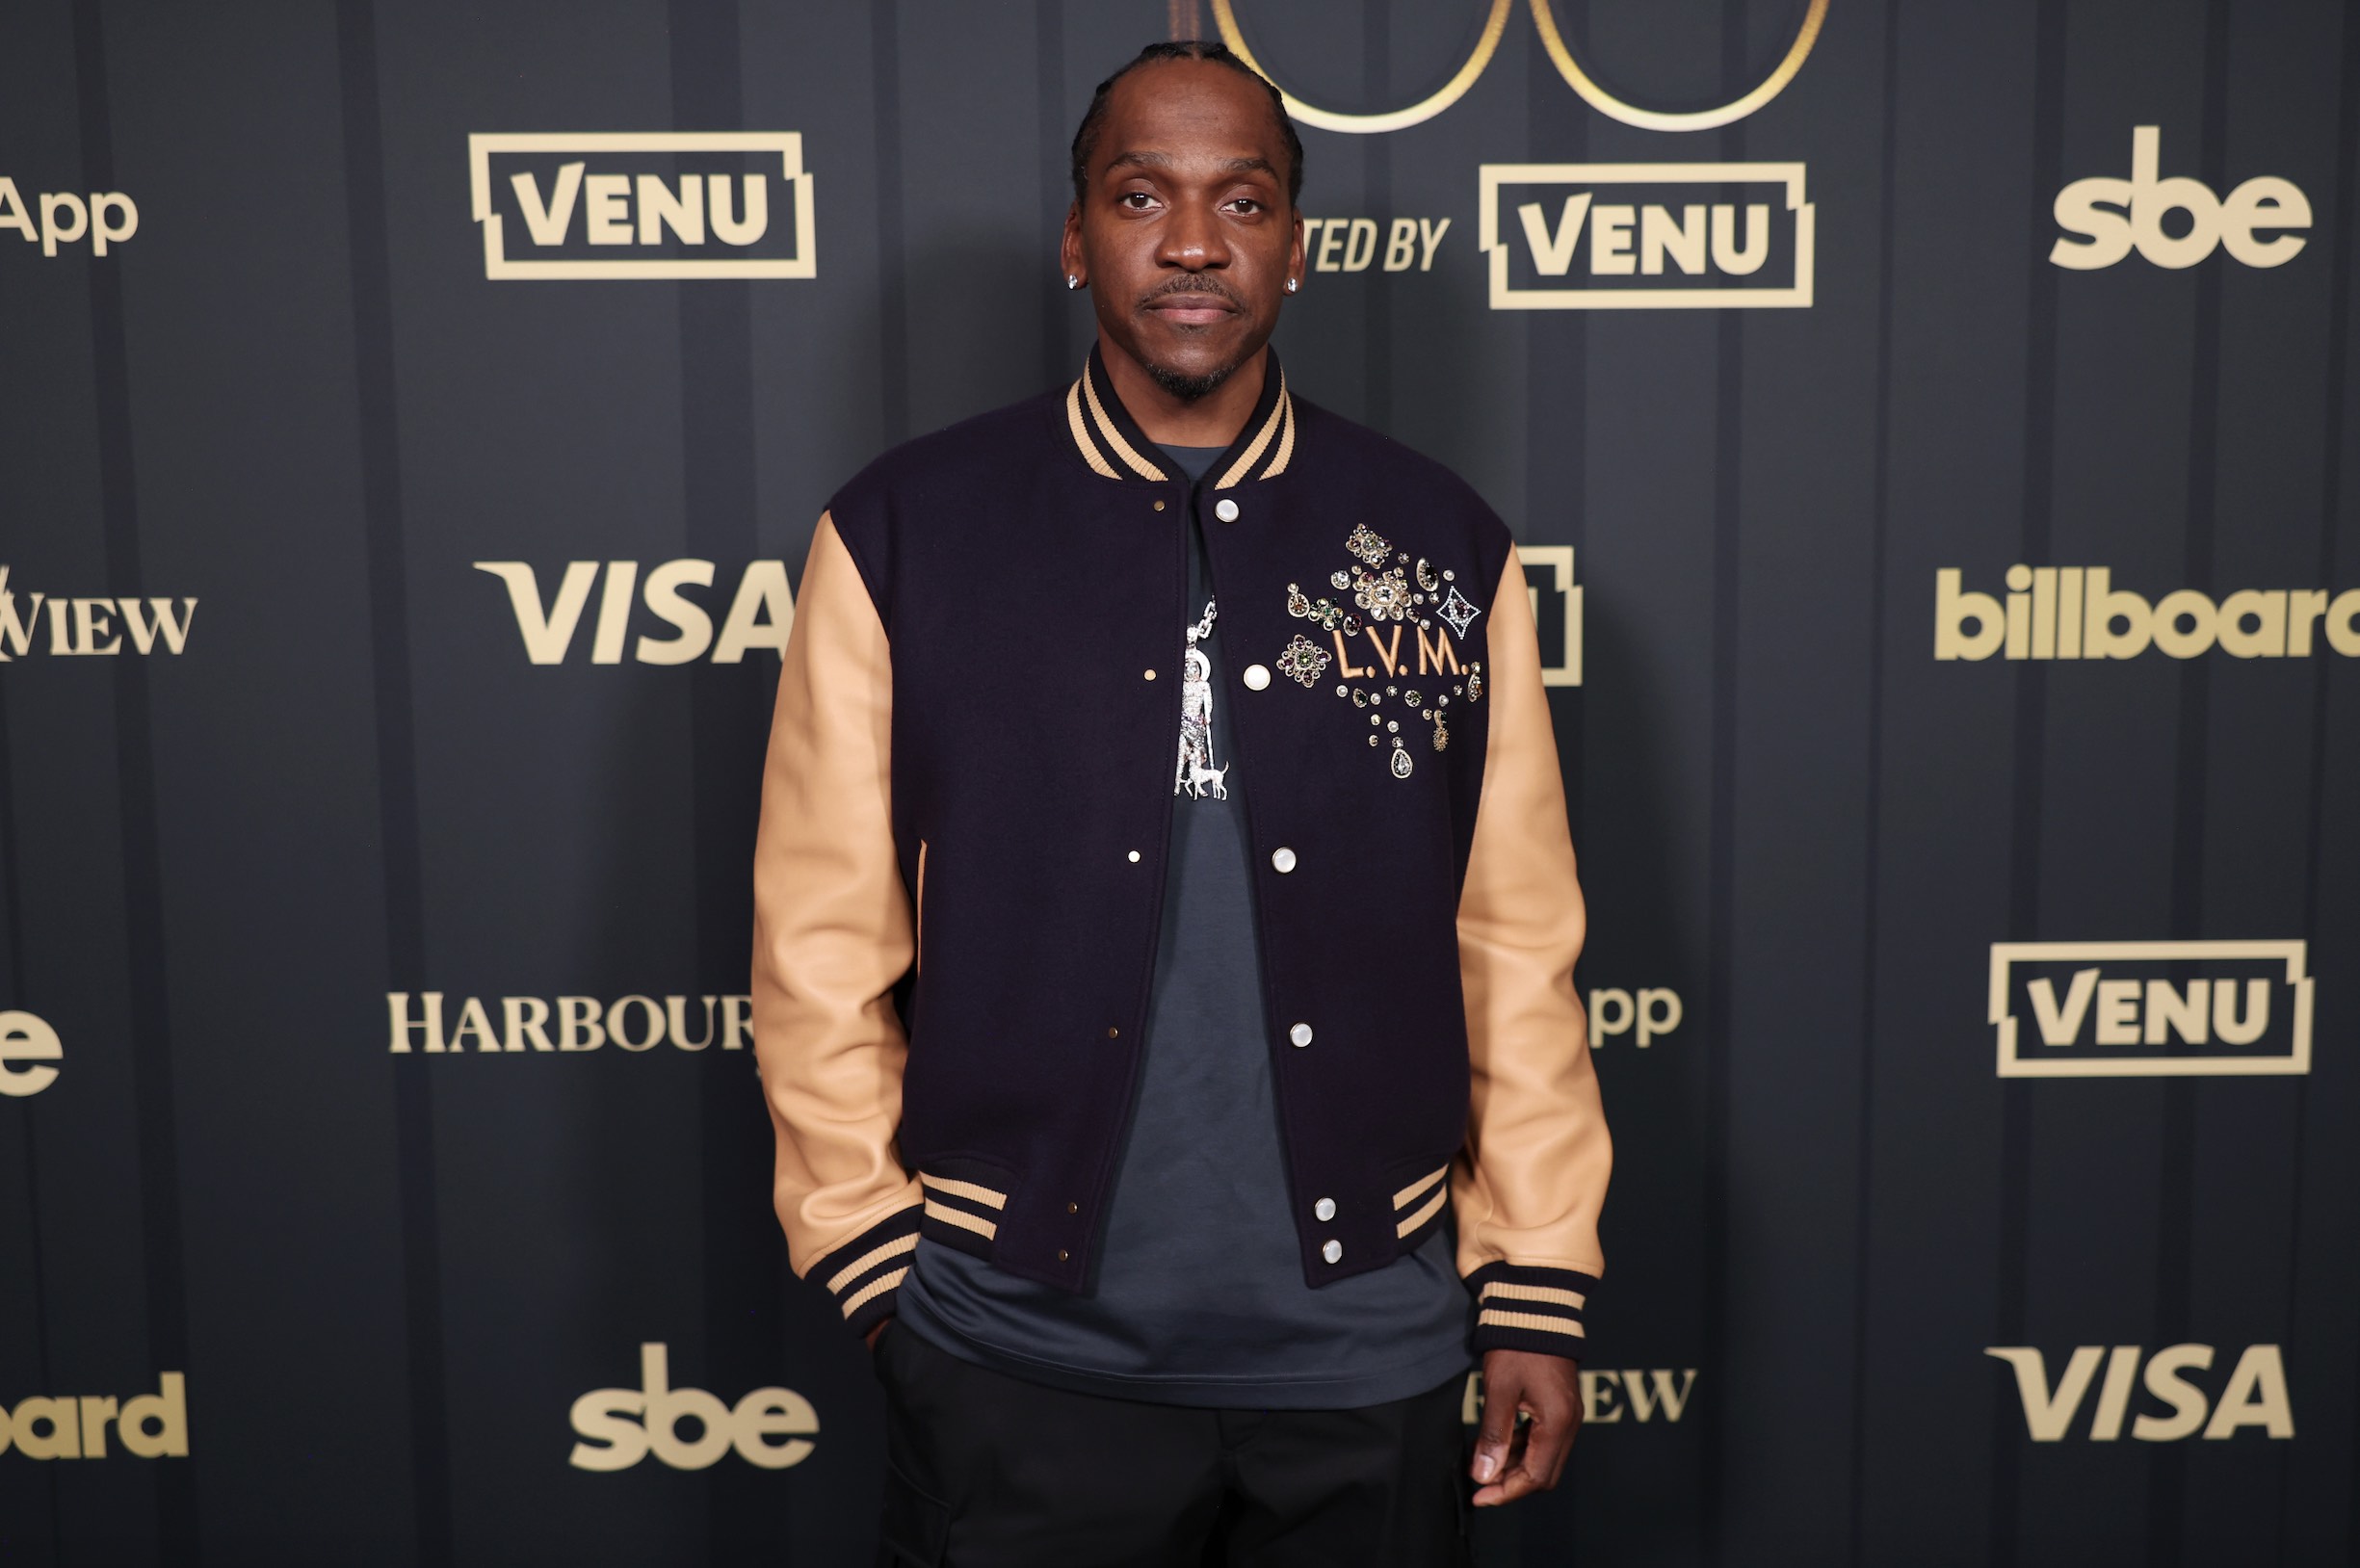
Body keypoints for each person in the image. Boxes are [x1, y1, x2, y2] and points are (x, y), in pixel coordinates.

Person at [750, 39, 1611, 1566]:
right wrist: (874, 1268)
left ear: (1294, 241)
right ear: (1078, 240)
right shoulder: (904, 531)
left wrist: (1534, 1272)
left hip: (1369, 1356)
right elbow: (818, 942)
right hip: (1018, 1355)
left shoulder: (1434, 540)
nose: (1194, 241)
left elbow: (1511, 936)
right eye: (1141, 196)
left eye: (1243, 198)